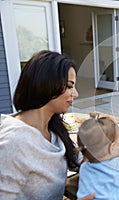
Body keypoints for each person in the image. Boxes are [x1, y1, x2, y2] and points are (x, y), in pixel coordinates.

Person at [0, 50, 94, 200]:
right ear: (46, 85)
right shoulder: (13, 143)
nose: (75, 94)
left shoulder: (53, 128)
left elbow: (78, 160)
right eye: (69, 86)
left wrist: (116, 179)